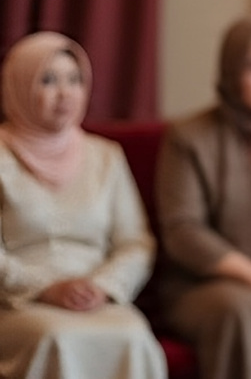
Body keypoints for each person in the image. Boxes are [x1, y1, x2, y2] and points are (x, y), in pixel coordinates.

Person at [155, 11, 251, 379]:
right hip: (209, 286)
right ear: (231, 72)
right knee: (242, 311)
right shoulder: (189, 138)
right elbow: (183, 229)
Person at [0, 31, 166, 379]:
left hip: (95, 296)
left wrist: (102, 286)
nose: (65, 93)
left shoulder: (106, 156)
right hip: (17, 302)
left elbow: (136, 241)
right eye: (48, 80)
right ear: (18, 85)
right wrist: (45, 288)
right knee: (57, 337)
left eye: (74, 80)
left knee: (134, 336)